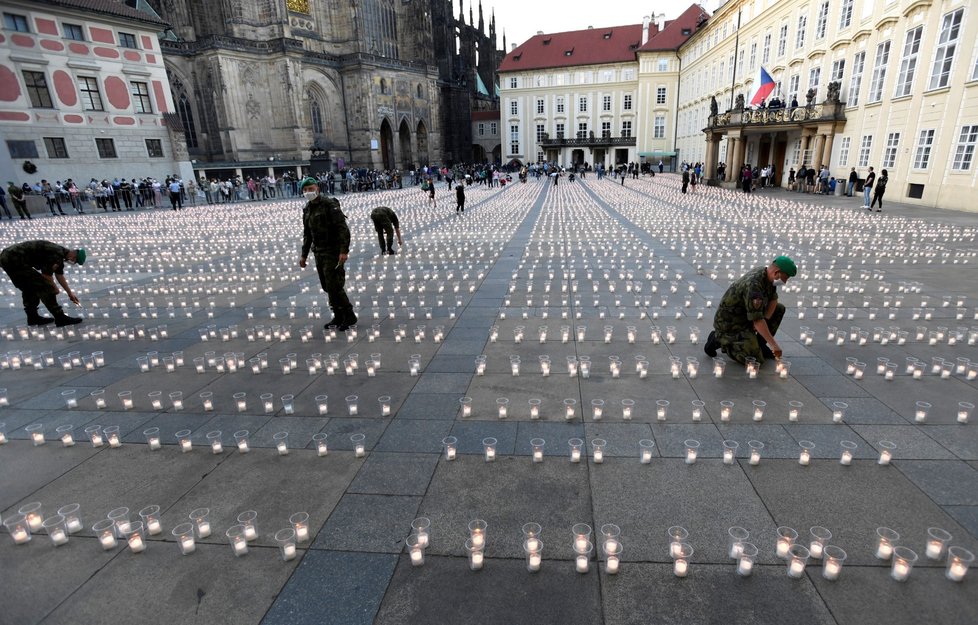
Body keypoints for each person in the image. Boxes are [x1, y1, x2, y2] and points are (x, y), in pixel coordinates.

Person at [704, 256, 797, 366]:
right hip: (731, 324)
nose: (785, 282)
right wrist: (774, 345)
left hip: (746, 316)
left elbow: (773, 299)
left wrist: (766, 319)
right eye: (785, 278)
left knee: (779, 309)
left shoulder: (767, 274)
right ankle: (719, 339)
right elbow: (757, 321)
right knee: (754, 360)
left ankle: (760, 345)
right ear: (777, 272)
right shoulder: (754, 284)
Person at [299, 177, 356, 331]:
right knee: (326, 286)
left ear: (317, 188)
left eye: (310, 189)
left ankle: (349, 315)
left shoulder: (329, 205)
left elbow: (342, 228)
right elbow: (307, 234)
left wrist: (344, 251)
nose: (308, 192)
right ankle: (337, 315)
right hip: (319, 252)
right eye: (305, 190)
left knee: (334, 285)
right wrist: (304, 255)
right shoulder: (308, 209)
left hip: (333, 251)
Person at [0, 240, 86, 327]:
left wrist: (70, 293)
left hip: (9, 257)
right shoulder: (56, 254)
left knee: (29, 287)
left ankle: (33, 317)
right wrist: (54, 288)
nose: (72, 261)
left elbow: (59, 275)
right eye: (75, 260)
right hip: (13, 258)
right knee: (45, 287)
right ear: (74, 254)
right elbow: (46, 276)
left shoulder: (61, 255)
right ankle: (60, 317)